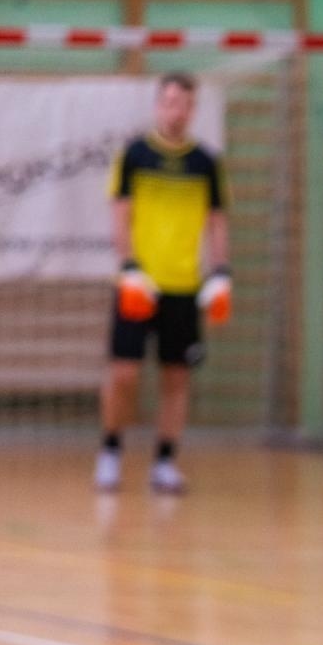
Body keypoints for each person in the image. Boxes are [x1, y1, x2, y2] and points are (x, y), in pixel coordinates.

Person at [94, 72, 230, 494]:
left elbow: (217, 221)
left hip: (184, 287)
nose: (175, 111)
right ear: (158, 106)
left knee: (177, 378)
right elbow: (120, 214)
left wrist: (221, 273)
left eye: (183, 104)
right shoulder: (135, 155)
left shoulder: (206, 163)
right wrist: (128, 265)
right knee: (123, 374)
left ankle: (165, 462)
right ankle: (110, 451)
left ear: (192, 110)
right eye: (168, 102)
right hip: (139, 284)